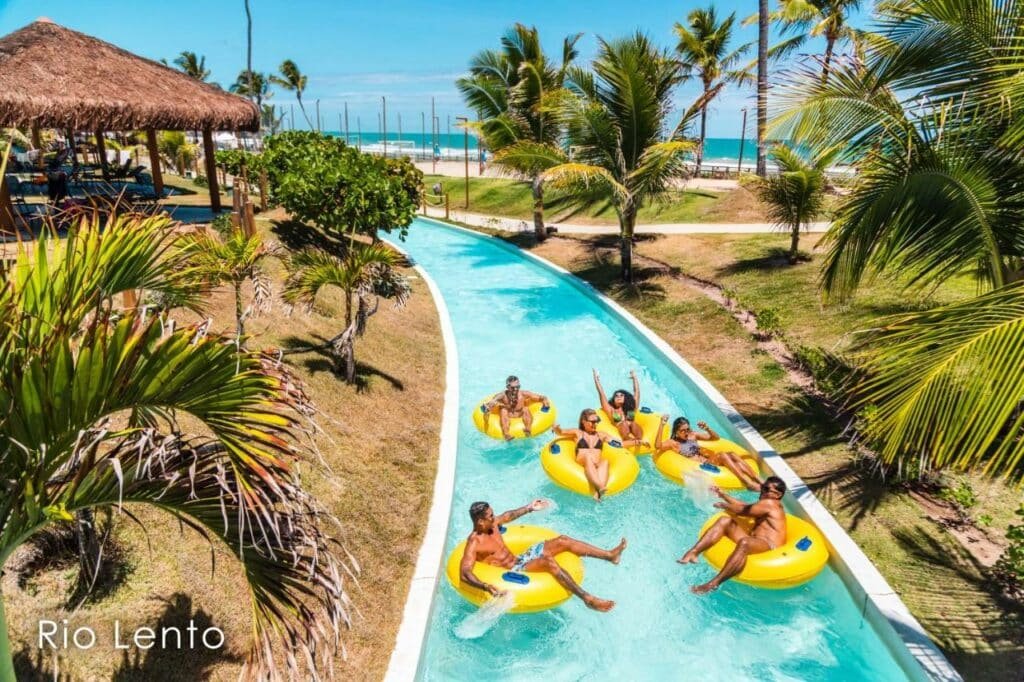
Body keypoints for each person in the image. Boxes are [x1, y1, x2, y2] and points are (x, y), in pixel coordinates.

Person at [459, 499, 627, 611]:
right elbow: (465, 572)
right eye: (490, 516)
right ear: (480, 522)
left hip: (521, 559)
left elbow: (508, 515)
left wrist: (529, 508)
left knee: (563, 540)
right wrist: (485, 586)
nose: (494, 517)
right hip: (515, 572)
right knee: (547, 560)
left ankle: (610, 555)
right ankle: (587, 599)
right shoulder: (474, 543)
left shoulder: (492, 524)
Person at [678, 476, 788, 594]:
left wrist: (724, 505)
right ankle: (694, 552)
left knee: (745, 542)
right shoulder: (767, 504)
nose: (762, 490)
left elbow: (743, 511)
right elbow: (744, 506)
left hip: (770, 546)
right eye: (762, 487)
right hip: (756, 540)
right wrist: (723, 495)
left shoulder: (771, 503)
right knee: (724, 521)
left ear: (777, 495)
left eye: (766, 489)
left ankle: (713, 584)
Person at [553, 409, 646, 501]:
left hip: (596, 463)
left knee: (605, 462)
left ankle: (598, 493)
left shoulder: (601, 435)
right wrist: (556, 428)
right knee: (588, 456)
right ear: (583, 422)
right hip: (583, 461)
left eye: (597, 421)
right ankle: (601, 486)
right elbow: (561, 432)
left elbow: (619, 444)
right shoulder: (577, 433)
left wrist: (638, 442)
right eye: (592, 422)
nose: (595, 424)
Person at [653, 415, 762, 491]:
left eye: (687, 429)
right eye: (683, 430)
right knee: (723, 455)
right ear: (676, 432)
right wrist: (662, 425)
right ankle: (746, 482)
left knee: (732, 454)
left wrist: (707, 428)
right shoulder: (674, 443)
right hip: (700, 467)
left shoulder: (693, 435)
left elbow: (715, 438)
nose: (686, 432)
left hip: (708, 461)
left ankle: (757, 479)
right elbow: (658, 446)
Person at [482, 375, 550, 440]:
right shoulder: (502, 395)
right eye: (513, 387)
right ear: (507, 387)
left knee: (525, 408)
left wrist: (545, 400)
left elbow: (541, 397)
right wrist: (490, 406)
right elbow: (491, 402)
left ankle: (528, 429)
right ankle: (506, 434)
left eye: (518, 387)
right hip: (508, 415)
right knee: (503, 410)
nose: (515, 389)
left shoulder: (524, 394)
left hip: (520, 414)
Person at [593, 369, 643, 441]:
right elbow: (601, 393)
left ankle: (639, 439)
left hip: (634, 429)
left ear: (625, 398)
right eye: (616, 396)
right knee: (624, 424)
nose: (618, 397)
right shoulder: (611, 410)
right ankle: (628, 440)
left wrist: (634, 378)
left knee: (633, 423)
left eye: (621, 395)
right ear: (614, 399)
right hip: (622, 430)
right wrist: (596, 379)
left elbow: (637, 392)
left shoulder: (631, 408)